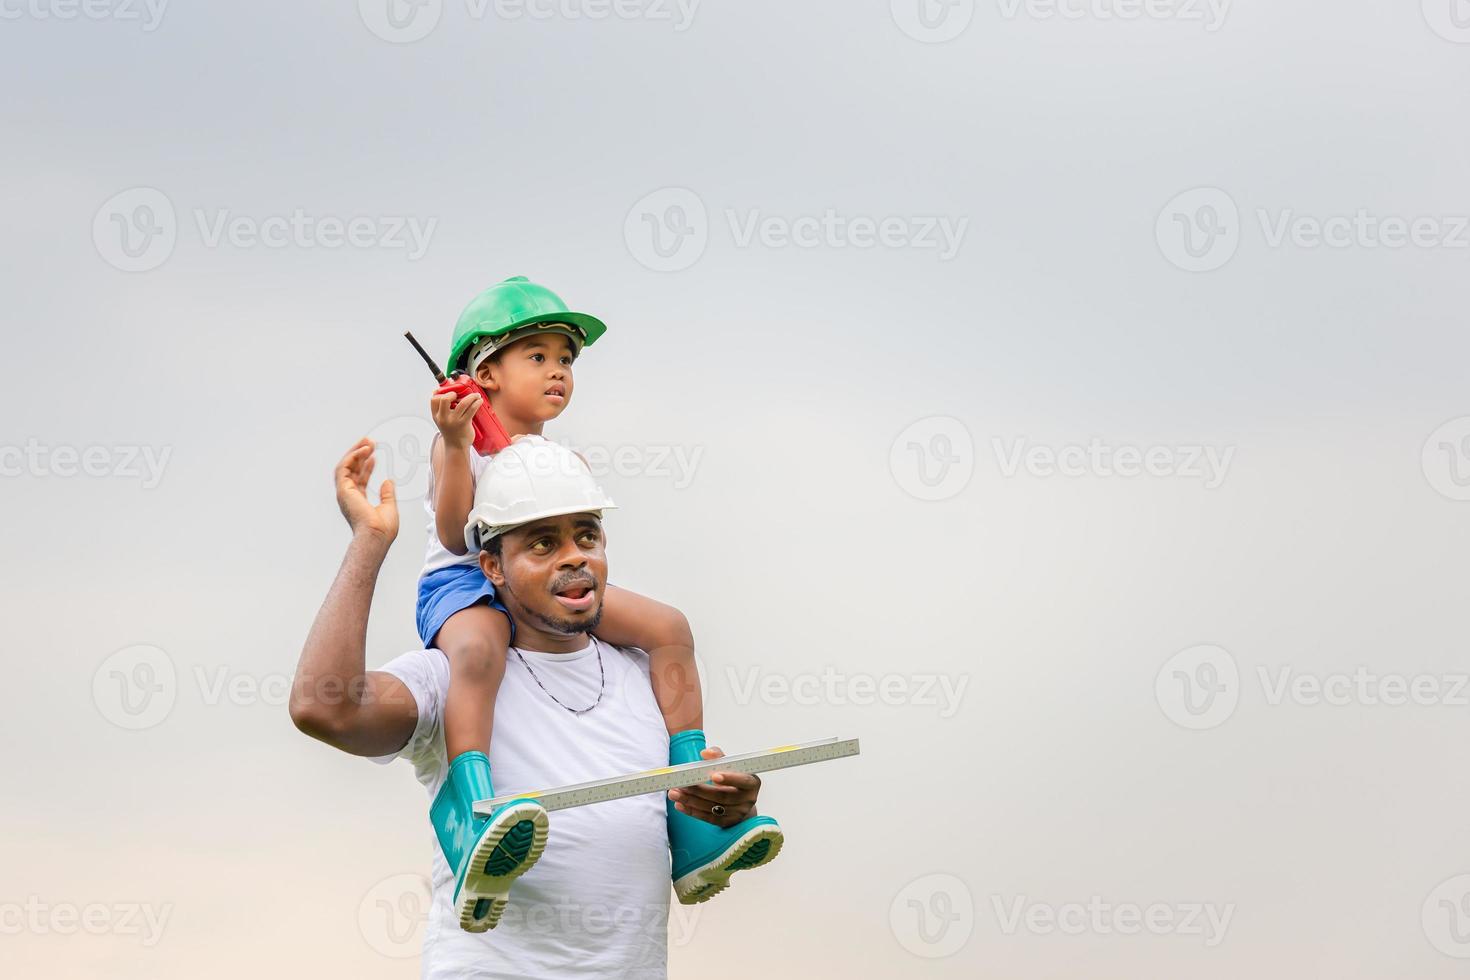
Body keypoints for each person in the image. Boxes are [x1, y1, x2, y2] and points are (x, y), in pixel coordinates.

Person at [289, 437, 778, 978]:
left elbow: (670, 814)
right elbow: (322, 709)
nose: (575, 555)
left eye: (587, 535)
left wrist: (720, 806)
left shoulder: (645, 675)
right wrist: (370, 541)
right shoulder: (450, 676)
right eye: (542, 544)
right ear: (493, 567)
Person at [412, 275, 781, 929]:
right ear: (483, 372)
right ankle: (472, 813)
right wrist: (460, 444)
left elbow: (574, 546)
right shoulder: (457, 446)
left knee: (668, 625)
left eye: (566, 359)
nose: (558, 372)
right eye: (539, 356)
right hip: (469, 584)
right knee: (477, 650)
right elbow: (452, 532)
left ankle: (688, 806)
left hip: (546, 590)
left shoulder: (558, 456)